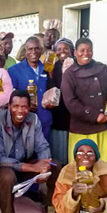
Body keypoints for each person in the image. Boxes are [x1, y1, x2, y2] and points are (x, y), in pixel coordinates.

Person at [0, 89, 59, 213]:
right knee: (8, 175)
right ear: (9, 106)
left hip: (23, 163)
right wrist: (33, 167)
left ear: (29, 107)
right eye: (16, 106)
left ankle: (50, 209)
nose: (20, 111)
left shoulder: (34, 119)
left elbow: (42, 146)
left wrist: (44, 167)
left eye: (24, 107)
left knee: (55, 166)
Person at [61, 38, 107, 165]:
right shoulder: (69, 74)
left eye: (89, 50)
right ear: (75, 53)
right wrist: (95, 116)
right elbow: (71, 103)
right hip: (82, 130)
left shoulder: (102, 69)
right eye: (82, 50)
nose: (86, 54)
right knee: (82, 169)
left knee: (106, 167)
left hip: (105, 127)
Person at [8, 36, 52, 141]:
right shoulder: (14, 70)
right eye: (30, 49)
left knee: (43, 151)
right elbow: (11, 95)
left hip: (44, 119)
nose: (34, 52)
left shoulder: (47, 68)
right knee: (26, 153)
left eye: (37, 48)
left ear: (41, 50)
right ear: (25, 50)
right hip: (25, 120)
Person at [45, 37, 75, 166]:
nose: (62, 52)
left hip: (73, 114)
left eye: (65, 49)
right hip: (57, 114)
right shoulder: (53, 66)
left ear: (71, 51)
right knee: (59, 149)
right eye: (59, 49)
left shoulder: (76, 66)